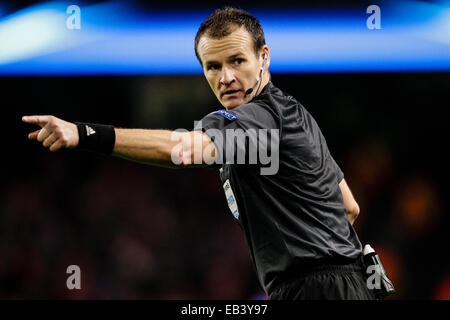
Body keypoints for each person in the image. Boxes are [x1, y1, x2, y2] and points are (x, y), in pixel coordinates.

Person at [22, 7, 377, 300]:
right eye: (213, 66)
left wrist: (84, 134)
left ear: (264, 57)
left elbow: (183, 150)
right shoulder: (295, 115)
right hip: (345, 285)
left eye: (237, 61)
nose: (226, 77)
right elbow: (348, 206)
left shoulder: (257, 117)